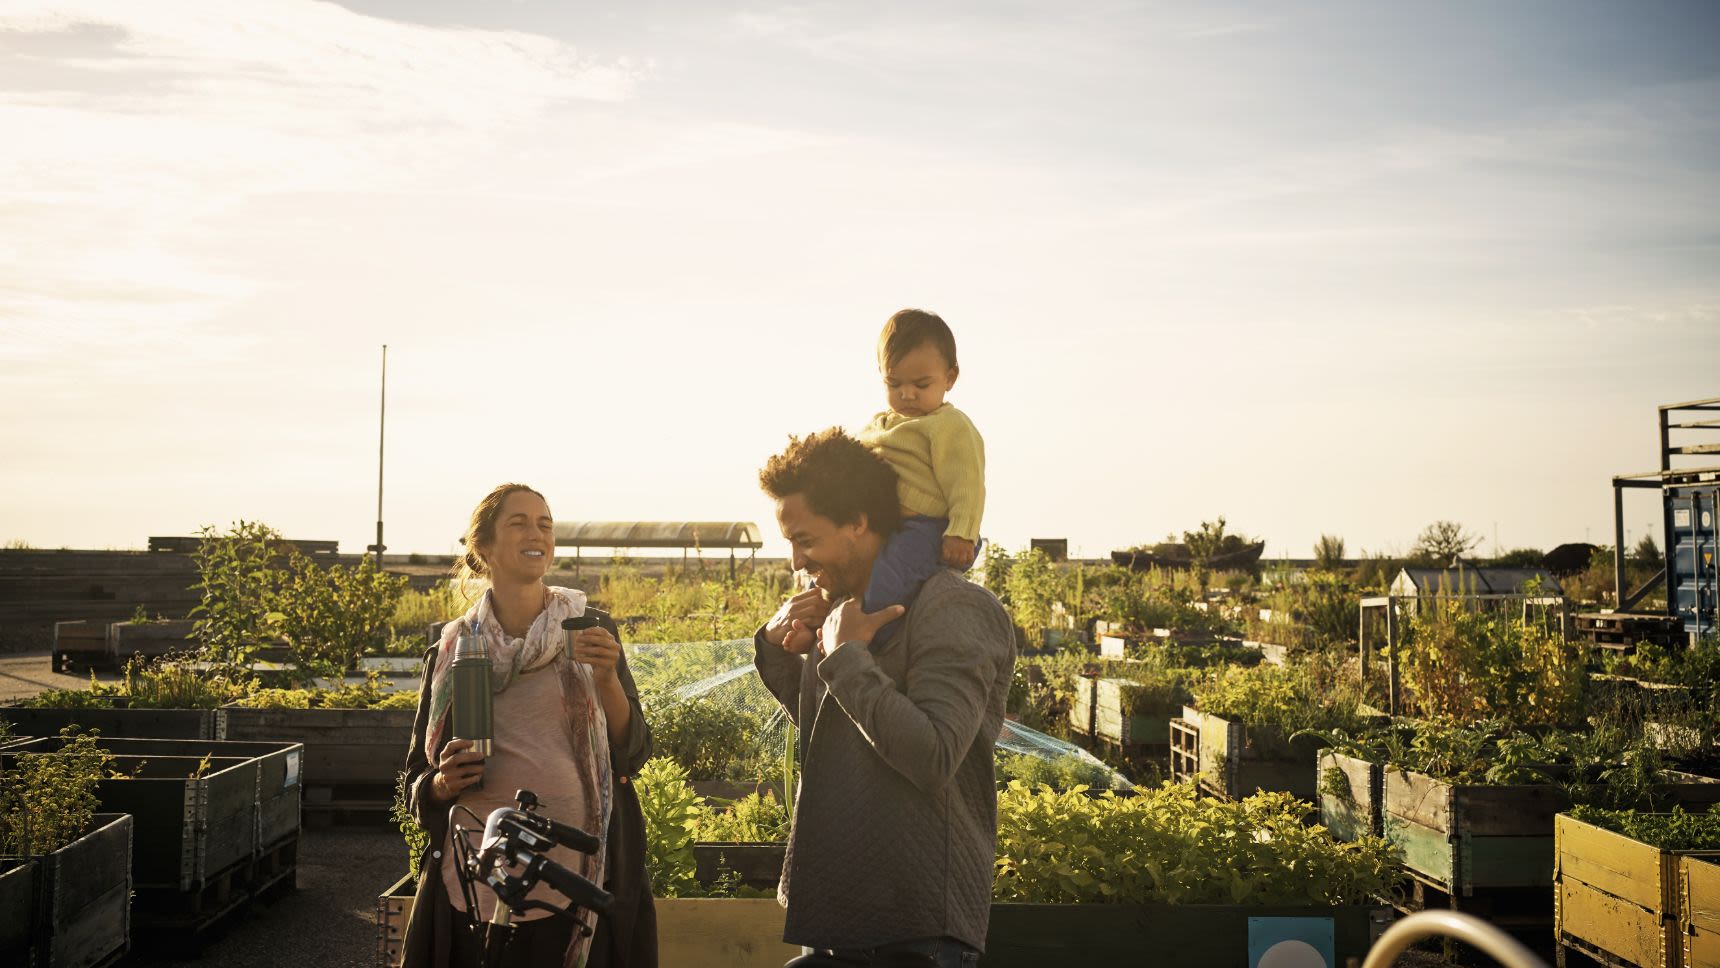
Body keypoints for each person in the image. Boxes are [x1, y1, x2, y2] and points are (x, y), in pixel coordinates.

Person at [752, 429, 1015, 968]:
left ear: (858, 521)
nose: (798, 561)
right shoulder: (842, 608)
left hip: (913, 928)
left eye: (806, 539)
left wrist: (846, 655)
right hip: (836, 912)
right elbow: (831, 729)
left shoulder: (953, 608)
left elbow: (934, 755)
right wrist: (780, 649)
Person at [400, 483, 656, 968]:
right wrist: (438, 784)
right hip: (477, 872)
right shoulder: (455, 648)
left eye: (545, 523)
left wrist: (607, 680)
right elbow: (418, 776)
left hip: (576, 872)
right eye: (518, 523)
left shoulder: (586, 626)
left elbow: (632, 751)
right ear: (484, 547)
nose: (536, 533)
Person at [855, 309, 986, 636]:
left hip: (928, 529)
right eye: (894, 383)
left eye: (921, 384)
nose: (907, 393)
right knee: (854, 572)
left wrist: (961, 532)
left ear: (950, 379)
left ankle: (872, 640)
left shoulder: (949, 425)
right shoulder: (879, 425)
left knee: (889, 580)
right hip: (887, 524)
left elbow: (967, 484)